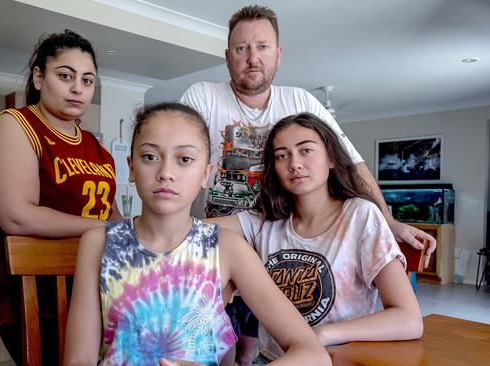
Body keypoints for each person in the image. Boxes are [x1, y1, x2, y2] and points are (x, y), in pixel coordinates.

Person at [179, 5, 433, 364]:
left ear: (278, 55)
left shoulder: (302, 105)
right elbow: (180, 166)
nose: (294, 163)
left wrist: (387, 221)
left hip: (329, 346)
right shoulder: (204, 97)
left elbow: (355, 162)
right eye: (241, 49)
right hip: (241, 246)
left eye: (263, 47)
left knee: (254, 345)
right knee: (221, 343)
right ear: (227, 56)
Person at [64, 103, 331, 366]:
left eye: (185, 160)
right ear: (131, 168)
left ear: (206, 173)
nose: (166, 173)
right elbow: (78, 359)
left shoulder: (227, 248)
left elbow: (312, 354)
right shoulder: (99, 242)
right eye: (150, 157)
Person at [211, 112, 423, 361]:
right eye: (282, 155)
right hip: (272, 358)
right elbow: (189, 230)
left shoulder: (360, 215)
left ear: (331, 157)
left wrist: (319, 336)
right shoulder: (264, 220)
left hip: (336, 357)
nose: (294, 163)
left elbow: (409, 319)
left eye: (306, 150)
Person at [0, 30, 122, 365]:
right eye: (65, 76)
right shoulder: (15, 124)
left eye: (87, 81)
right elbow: (16, 215)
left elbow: (110, 214)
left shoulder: (98, 148)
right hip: (40, 301)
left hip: (100, 295)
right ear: (39, 77)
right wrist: (102, 229)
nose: (78, 89)